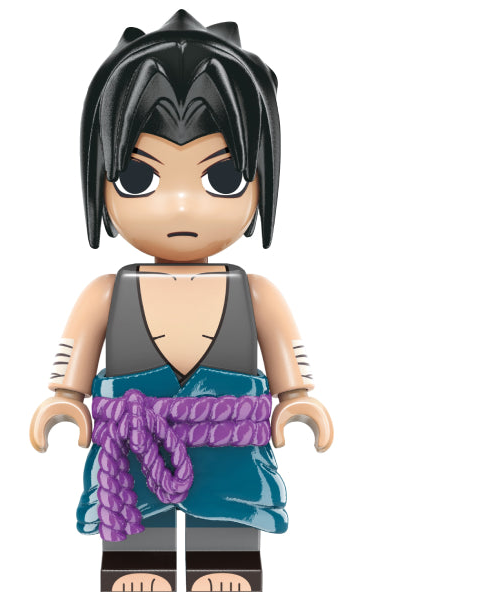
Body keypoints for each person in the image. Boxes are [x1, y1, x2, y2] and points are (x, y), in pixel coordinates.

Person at [30, 9, 333, 593]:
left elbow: (289, 361)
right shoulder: (106, 293)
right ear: (100, 183)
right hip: (132, 436)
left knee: (231, 504)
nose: (181, 206)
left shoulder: (256, 293)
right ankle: (133, 563)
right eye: (139, 180)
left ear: (260, 183)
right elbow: (72, 362)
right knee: (131, 506)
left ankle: (229, 561)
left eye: (221, 180)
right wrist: (64, 398)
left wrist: (297, 398)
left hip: (231, 441)